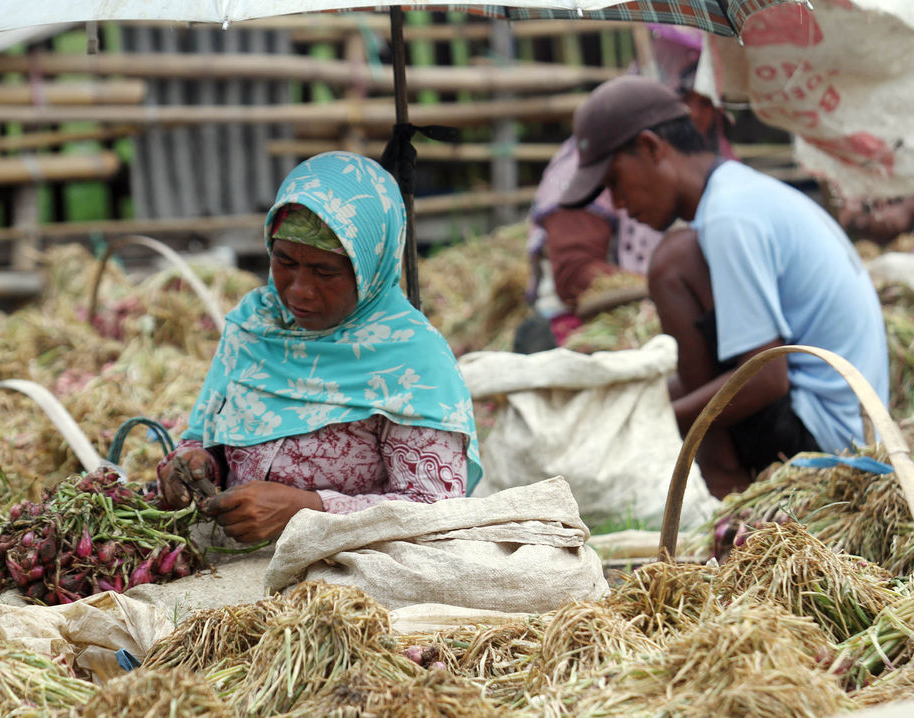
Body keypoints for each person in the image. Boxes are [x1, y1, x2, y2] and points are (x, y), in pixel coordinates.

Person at [559, 76, 889, 499]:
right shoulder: (739, 192)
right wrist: (638, 401)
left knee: (672, 262)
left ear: (650, 148)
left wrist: (657, 424)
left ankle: (722, 480)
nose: (619, 205)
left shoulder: (729, 217)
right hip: (847, 425)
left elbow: (766, 378)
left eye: (616, 182)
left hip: (829, 447)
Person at [157, 151, 483, 542]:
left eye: (325, 271)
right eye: (284, 261)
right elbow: (204, 434)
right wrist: (194, 464)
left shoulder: (412, 360)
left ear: (370, 270)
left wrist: (309, 509)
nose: (298, 290)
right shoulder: (256, 325)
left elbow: (436, 511)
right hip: (228, 557)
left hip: (349, 575)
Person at [522, 26, 734, 349]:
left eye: (709, 102)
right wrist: (666, 290)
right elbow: (575, 273)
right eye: (695, 101)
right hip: (594, 327)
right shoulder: (588, 169)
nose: (704, 114)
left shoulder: (712, 167)